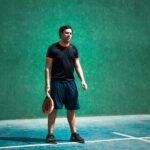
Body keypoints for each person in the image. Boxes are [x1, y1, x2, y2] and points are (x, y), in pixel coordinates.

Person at [45, 25, 87, 144]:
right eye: (66, 33)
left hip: (70, 83)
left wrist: (83, 80)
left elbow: (78, 66)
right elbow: (47, 68)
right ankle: (50, 135)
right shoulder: (53, 48)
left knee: (71, 109)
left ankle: (74, 134)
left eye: (70, 33)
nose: (69, 35)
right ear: (61, 34)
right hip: (57, 83)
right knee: (54, 109)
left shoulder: (74, 49)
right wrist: (47, 84)